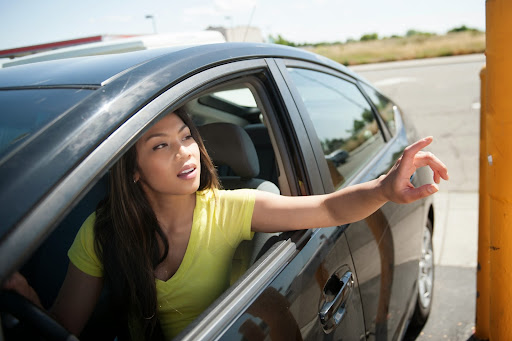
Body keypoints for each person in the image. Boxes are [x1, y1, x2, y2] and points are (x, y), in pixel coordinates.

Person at [3, 108, 449, 340]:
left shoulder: (230, 208)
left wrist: (385, 188)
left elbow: (329, 209)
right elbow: (66, 325)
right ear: (133, 171)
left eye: (186, 137)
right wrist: (25, 301)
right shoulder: (102, 231)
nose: (185, 152)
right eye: (161, 146)